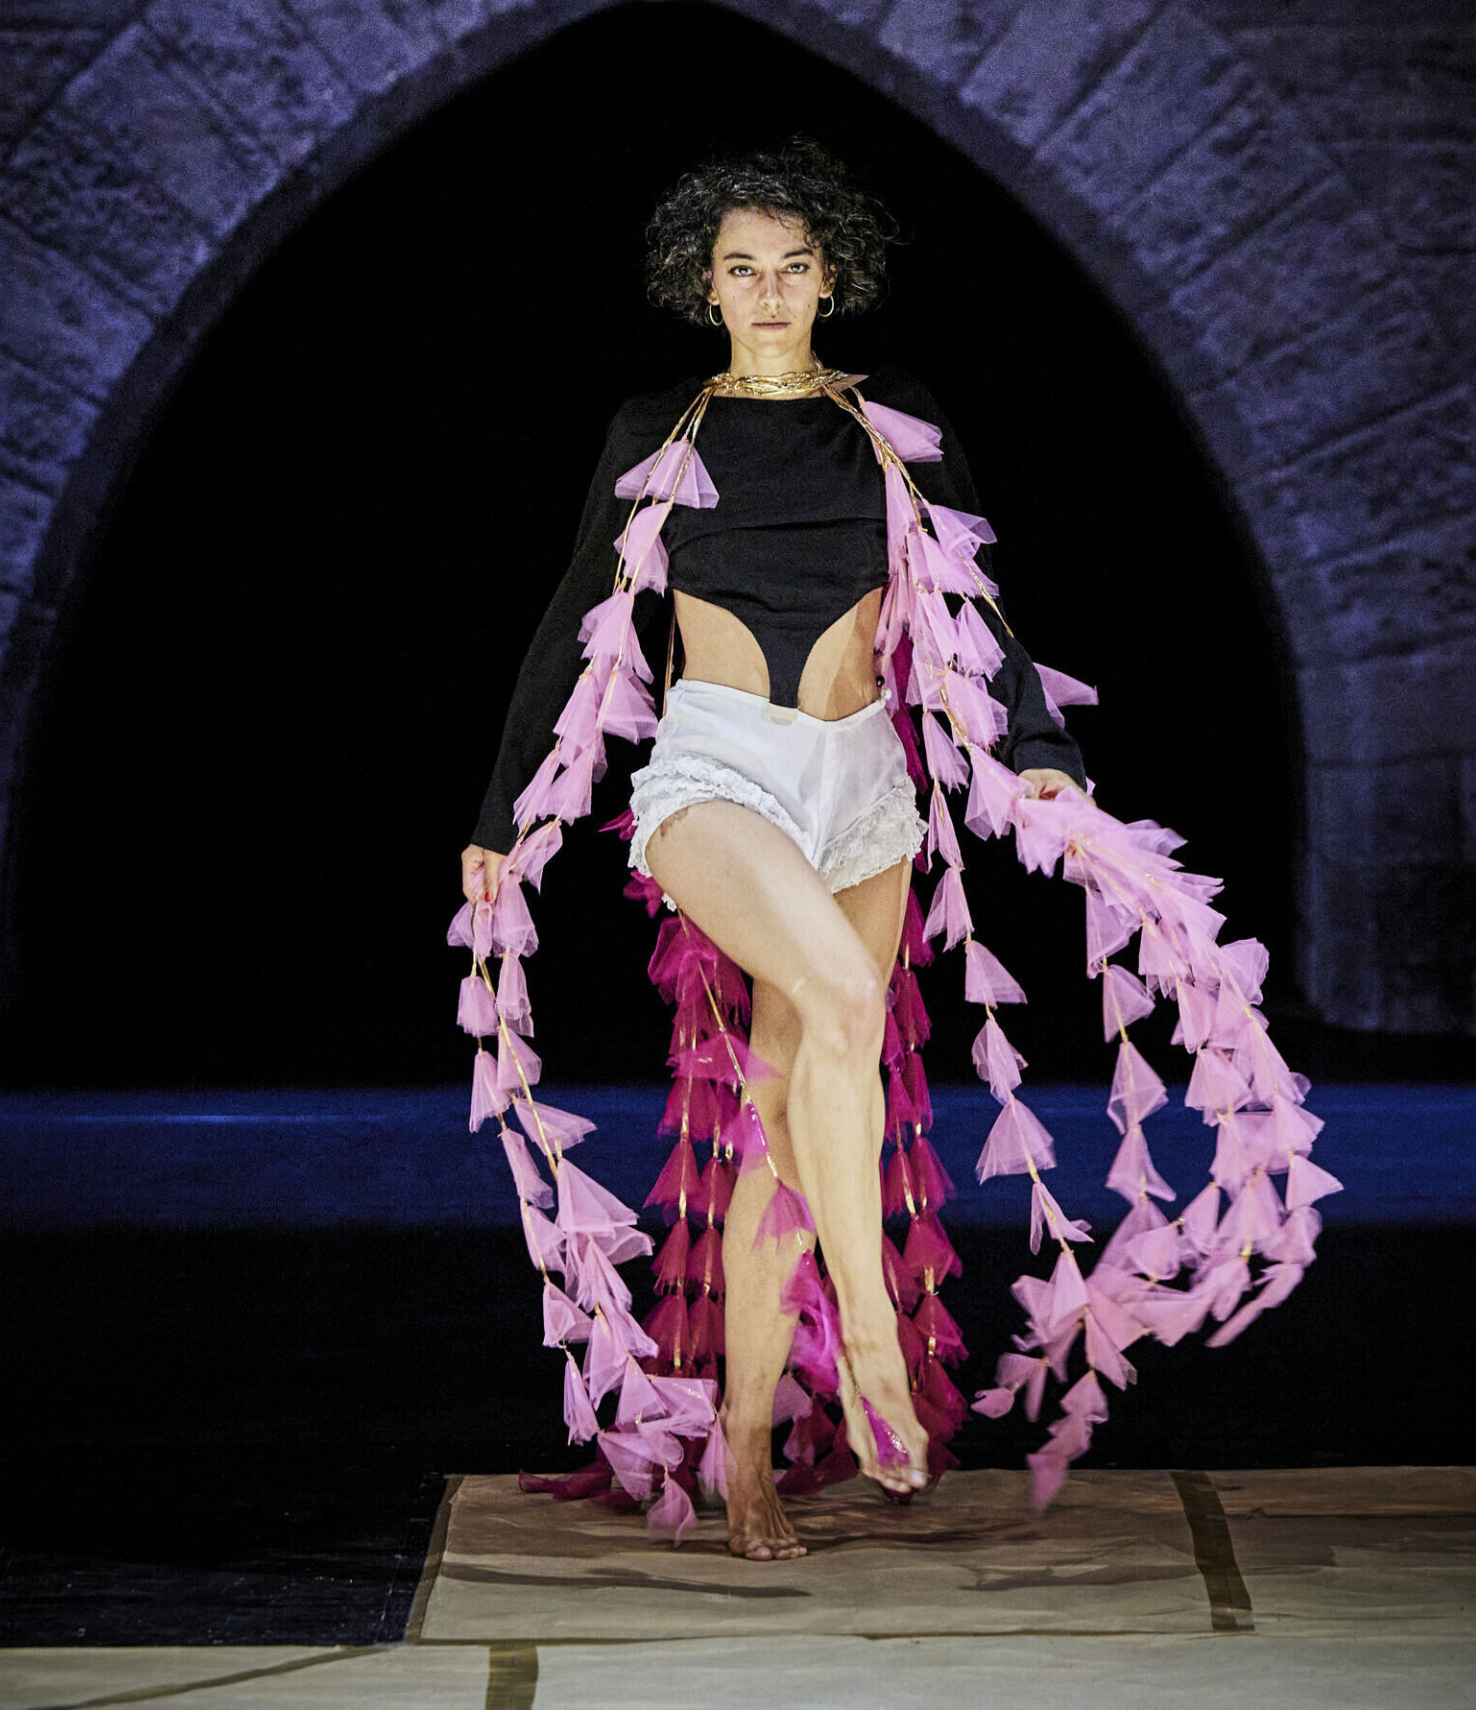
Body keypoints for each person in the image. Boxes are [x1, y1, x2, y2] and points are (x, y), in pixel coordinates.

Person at [458, 138, 1088, 1560]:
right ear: (704, 283)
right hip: (718, 770)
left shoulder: (892, 420)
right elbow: (574, 615)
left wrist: (1043, 744)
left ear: (831, 279)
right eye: (741, 268)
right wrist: (502, 811)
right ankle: (869, 1326)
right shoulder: (657, 428)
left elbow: (977, 602)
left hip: (865, 781)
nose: (768, 290)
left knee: (792, 1125)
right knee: (849, 1010)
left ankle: (743, 1451)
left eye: (793, 267)